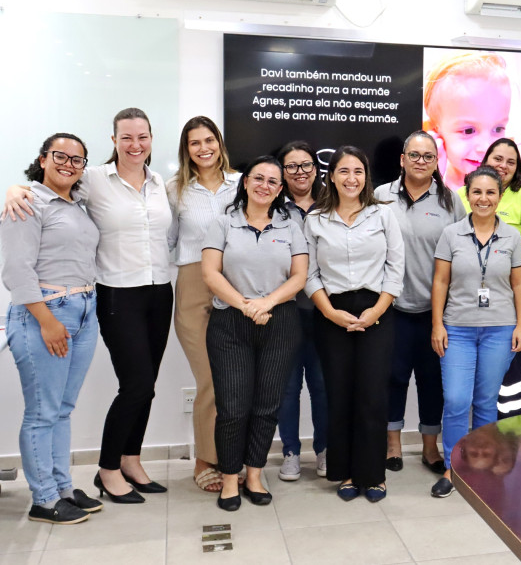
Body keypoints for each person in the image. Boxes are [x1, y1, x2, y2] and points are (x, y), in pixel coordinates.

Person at [4, 108, 174, 503]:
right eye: (126, 137)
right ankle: (108, 468)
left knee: (146, 387)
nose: (135, 145)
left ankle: (131, 460)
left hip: (159, 292)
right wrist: (16, 188)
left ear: (151, 139)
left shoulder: (158, 182)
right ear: (113, 141)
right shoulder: (94, 178)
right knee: (134, 385)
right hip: (117, 293)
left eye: (142, 137)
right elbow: (45, 191)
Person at [2, 134, 103, 524]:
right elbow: (16, 272)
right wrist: (47, 321)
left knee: (62, 409)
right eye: (60, 156)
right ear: (43, 159)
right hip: (44, 312)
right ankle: (43, 499)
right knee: (42, 412)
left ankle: (62, 486)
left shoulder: (77, 204)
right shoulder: (26, 203)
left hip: (83, 309)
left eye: (78, 160)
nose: (69, 164)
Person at [201, 156, 308, 511]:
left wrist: (267, 303)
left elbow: (298, 277)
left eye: (272, 181)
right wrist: (246, 305)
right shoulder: (222, 224)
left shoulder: (290, 227)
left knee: (266, 405)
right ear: (245, 182)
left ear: (280, 190)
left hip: (279, 323)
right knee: (232, 407)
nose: (264, 185)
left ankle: (255, 474)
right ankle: (230, 478)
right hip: (230, 324)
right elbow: (211, 274)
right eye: (258, 178)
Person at [303, 146, 404, 503]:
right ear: (330, 176)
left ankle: (373, 475)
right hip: (332, 313)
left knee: (372, 395)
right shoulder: (315, 219)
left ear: (366, 177)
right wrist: (330, 312)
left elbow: (396, 268)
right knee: (340, 394)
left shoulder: (383, 215)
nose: (351, 178)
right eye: (343, 171)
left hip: (377, 310)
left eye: (358, 171)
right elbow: (309, 274)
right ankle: (345, 472)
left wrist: (376, 311)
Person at [431, 165, 521, 498]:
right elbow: (440, 281)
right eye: (477, 192)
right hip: (456, 328)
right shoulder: (451, 234)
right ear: (467, 194)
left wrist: (520, 325)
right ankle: (453, 467)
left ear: (500, 197)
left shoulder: (513, 236)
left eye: (490, 192)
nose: (483, 198)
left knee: (487, 402)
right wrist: (437, 325)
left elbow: (519, 284)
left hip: (499, 330)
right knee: (457, 400)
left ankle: (481, 467)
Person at [374, 131, 466, 474]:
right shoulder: (381, 196)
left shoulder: (450, 201)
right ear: (402, 159)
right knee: (393, 378)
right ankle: (393, 445)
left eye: (428, 157)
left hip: (436, 310)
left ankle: (430, 447)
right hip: (391, 306)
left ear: (436, 162)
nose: (421, 162)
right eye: (414, 155)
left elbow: (461, 251)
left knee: (432, 380)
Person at [166, 116, 239, 493]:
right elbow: (166, 240)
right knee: (209, 379)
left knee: (236, 378)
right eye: (194, 143)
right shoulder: (174, 189)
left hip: (235, 283)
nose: (203, 148)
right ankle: (204, 459)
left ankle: (232, 459)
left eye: (209, 140)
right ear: (186, 149)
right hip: (194, 284)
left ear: (219, 143)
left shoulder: (242, 183)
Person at [459, 138, 521, 418]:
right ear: (485, 159)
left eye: (511, 162)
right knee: (469, 380)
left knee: (509, 380)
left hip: (513, 304)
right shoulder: (461, 195)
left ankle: (509, 443)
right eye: (498, 158)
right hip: (465, 306)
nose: (504, 165)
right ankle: (478, 445)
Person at [274, 140, 328, 482]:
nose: (300, 172)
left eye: (306, 165)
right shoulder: (272, 207)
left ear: (316, 168)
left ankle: (324, 449)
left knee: (323, 385)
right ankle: (291, 452)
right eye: (291, 166)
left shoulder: (331, 204)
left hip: (324, 310)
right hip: (285, 311)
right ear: (282, 171)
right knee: (287, 387)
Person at [423, 51, 514, 192]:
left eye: (498, 129)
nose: (485, 147)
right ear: (435, 132)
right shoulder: (428, 188)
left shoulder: (515, 192)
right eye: (468, 130)